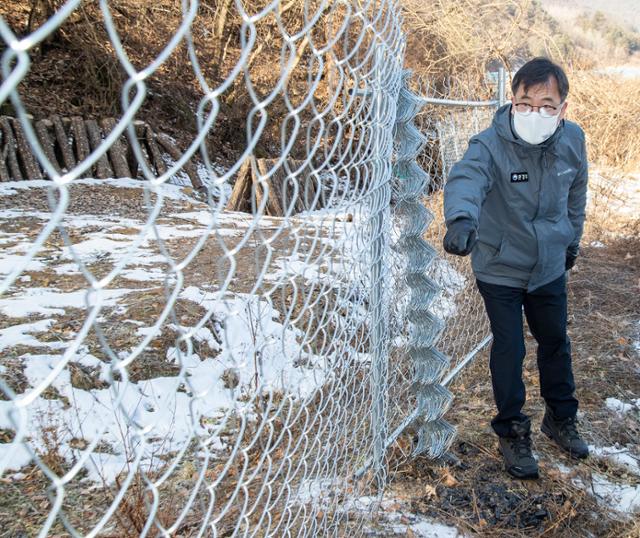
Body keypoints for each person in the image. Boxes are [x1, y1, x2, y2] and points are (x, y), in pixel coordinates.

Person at [442, 57, 589, 479]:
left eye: (546, 104)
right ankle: (511, 431)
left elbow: (576, 194)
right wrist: (462, 219)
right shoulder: (489, 144)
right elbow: (466, 179)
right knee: (510, 349)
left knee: (556, 343)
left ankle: (560, 418)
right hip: (500, 266)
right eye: (525, 102)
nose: (534, 112)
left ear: (562, 108)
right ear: (512, 100)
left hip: (548, 265)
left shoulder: (573, 140)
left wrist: (571, 242)